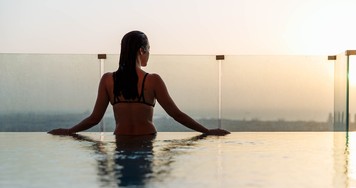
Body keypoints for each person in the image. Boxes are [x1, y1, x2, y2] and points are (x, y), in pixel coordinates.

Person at [48, 31, 230, 136]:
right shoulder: (153, 80)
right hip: (147, 139)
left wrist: (69, 131)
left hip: (121, 140)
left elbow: (95, 119)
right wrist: (206, 131)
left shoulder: (108, 80)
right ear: (142, 51)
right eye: (149, 50)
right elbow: (177, 115)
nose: (149, 54)